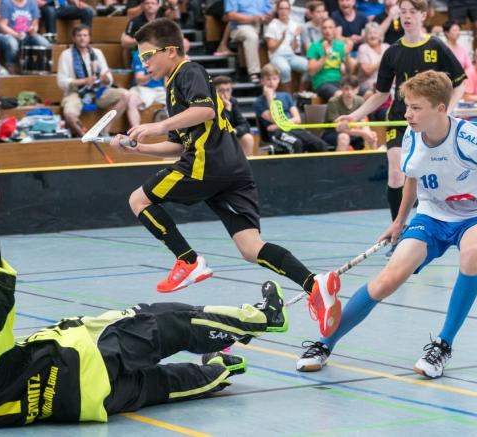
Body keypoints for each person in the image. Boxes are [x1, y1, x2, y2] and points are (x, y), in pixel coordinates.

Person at [0, 176, 290, 428]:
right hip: (87, 356)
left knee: (165, 386)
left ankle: (222, 370)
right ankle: (262, 318)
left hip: (83, 404)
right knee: (169, 321)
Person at [296, 70, 477, 377]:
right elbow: (412, 177)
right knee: (388, 279)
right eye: (408, 107)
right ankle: (324, 343)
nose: (408, 114)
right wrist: (399, 221)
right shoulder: (411, 137)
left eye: (416, 108)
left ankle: (443, 345)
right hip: (432, 214)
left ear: (441, 108)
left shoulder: (474, 138)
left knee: (470, 254)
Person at [111, 18, 343, 337]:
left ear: (171, 51)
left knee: (138, 199)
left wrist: (155, 125)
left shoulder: (187, 72)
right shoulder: (173, 85)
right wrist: (139, 149)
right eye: (141, 57)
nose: (144, 62)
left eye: (148, 55)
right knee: (250, 247)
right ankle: (314, 283)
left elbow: (204, 111)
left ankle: (188, 261)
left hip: (209, 165)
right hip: (231, 169)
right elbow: (179, 144)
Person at [335, 0, 466, 258]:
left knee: (426, 180)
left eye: (412, 12)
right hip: (399, 118)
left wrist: (447, 111)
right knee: (396, 175)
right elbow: (379, 94)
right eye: (402, 12)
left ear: (423, 15)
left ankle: (435, 229)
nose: (407, 17)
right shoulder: (392, 52)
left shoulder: (437, 46)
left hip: (429, 122)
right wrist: (353, 116)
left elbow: (460, 82)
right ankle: (399, 233)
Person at [57, 25, 131, 137]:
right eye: (79, 35)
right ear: (74, 38)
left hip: (97, 91)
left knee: (125, 95)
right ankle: (85, 135)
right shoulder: (66, 55)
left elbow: (108, 77)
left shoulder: (97, 53)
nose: (82, 38)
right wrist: (84, 81)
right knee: (69, 114)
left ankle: (105, 130)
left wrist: (106, 79)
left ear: (89, 38)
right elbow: (61, 82)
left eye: (85, 35)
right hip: (75, 93)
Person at [255, 64, 331, 152]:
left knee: (320, 144)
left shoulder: (286, 96)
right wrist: (269, 98)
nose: (271, 82)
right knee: (296, 144)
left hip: (293, 128)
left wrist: (278, 125)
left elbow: (297, 119)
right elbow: (275, 119)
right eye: (268, 79)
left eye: (274, 78)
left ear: (279, 80)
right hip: (277, 134)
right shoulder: (258, 102)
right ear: (262, 81)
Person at [0, 0, 50, 74]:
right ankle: (11, 69)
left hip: (27, 34)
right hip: (8, 34)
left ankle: (37, 68)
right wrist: (16, 34)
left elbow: (35, 23)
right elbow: (2, 25)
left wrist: (33, 29)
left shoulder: (32, 3)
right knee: (12, 43)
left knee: (44, 43)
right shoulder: (6, 2)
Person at [265, 0, 308, 91]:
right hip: (276, 56)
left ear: (289, 10)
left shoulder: (294, 24)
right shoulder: (273, 25)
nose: (284, 11)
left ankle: (300, 93)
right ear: (277, 10)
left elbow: (294, 48)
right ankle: (288, 96)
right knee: (285, 69)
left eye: (286, 8)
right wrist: (282, 38)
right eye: (281, 9)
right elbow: (271, 48)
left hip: (291, 55)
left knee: (309, 66)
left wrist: (296, 36)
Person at [225, 0, 272, 82]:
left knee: (276, 31)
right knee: (252, 36)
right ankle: (254, 73)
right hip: (242, 26)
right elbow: (231, 15)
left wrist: (268, 16)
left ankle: (275, 71)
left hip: (262, 24)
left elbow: (269, 12)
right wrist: (252, 19)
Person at [323, 77, 376, 151]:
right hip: (332, 133)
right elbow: (339, 128)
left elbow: (363, 122)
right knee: (344, 137)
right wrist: (363, 133)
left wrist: (367, 132)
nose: (349, 92)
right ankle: (340, 162)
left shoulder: (360, 100)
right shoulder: (333, 102)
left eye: (353, 89)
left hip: (354, 132)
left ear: (357, 90)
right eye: (346, 89)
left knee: (372, 136)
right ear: (341, 89)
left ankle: (374, 161)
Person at [306, 18, 349, 101]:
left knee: (362, 92)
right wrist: (325, 56)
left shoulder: (341, 46)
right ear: (321, 30)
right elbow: (311, 71)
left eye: (330, 27)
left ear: (335, 29)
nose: (327, 31)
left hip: (340, 81)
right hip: (322, 82)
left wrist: (347, 55)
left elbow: (351, 71)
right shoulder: (315, 46)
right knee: (340, 95)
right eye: (324, 28)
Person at [214, 75, 256, 156]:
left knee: (247, 138)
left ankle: (245, 165)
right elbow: (220, 128)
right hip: (216, 138)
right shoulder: (211, 105)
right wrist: (227, 110)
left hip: (230, 136)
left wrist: (235, 131)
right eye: (221, 90)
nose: (225, 94)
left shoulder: (233, 102)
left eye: (228, 90)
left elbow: (245, 125)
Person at [127, 47, 166, 130]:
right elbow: (140, 80)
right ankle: (136, 131)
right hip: (144, 88)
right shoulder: (139, 54)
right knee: (131, 100)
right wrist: (152, 74)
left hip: (161, 89)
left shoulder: (163, 52)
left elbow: (167, 79)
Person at [355, 25, 386, 94]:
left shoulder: (386, 47)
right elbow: (368, 71)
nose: (372, 36)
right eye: (370, 33)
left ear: (380, 35)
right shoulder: (363, 48)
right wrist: (383, 60)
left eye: (375, 33)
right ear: (366, 36)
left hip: (386, 84)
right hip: (368, 85)